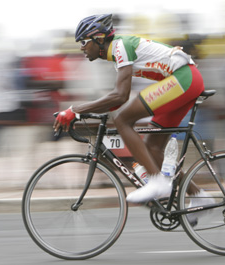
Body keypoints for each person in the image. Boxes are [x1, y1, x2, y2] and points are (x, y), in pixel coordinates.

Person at [53, 14, 214, 210]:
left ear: (100, 39)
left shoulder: (119, 47)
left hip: (184, 79)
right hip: (186, 80)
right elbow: (114, 101)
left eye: (84, 42)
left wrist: (75, 110)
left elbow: (120, 96)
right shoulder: (116, 54)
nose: (82, 47)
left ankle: (157, 181)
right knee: (153, 147)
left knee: (122, 121)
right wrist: (82, 112)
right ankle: (198, 196)